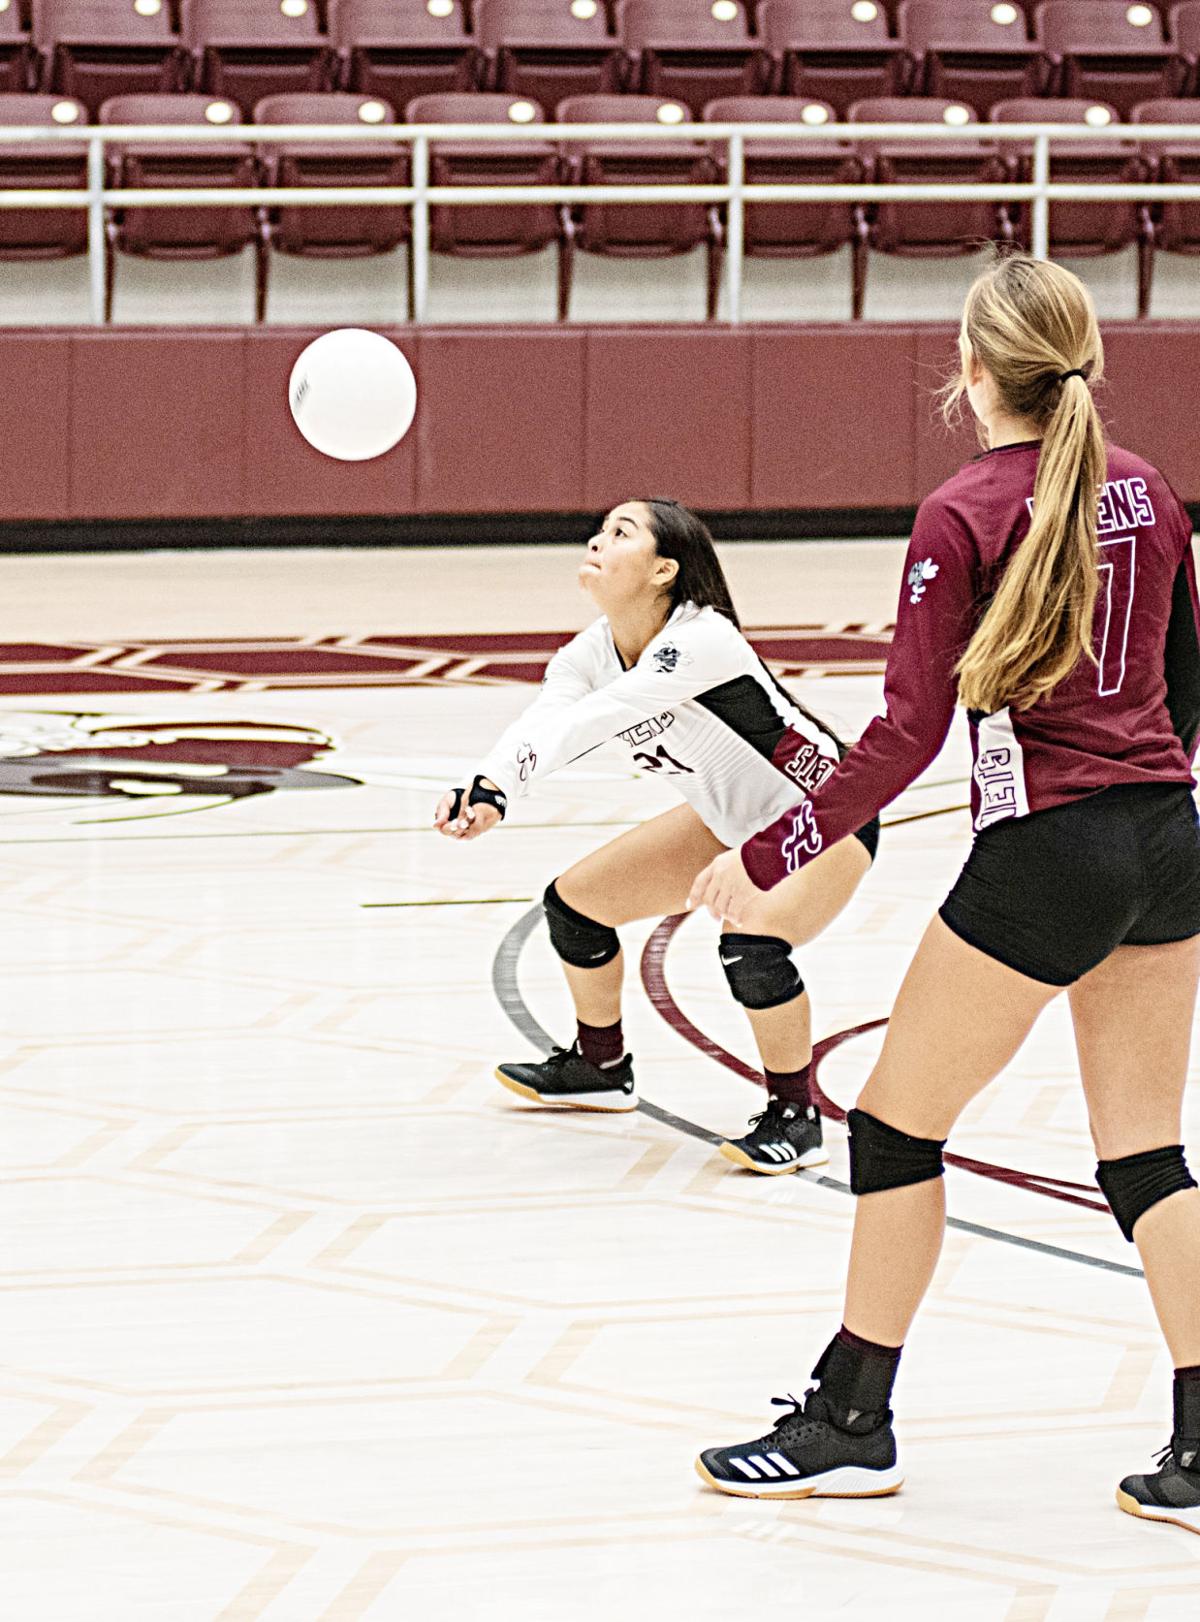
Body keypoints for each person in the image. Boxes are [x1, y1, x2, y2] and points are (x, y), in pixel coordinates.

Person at [690, 253, 1200, 1534]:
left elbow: (905, 733)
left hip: (1050, 855)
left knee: (893, 1126)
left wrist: (771, 851)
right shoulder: (1149, 489)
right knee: (1147, 1155)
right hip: (1168, 838)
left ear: (971, 371)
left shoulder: (963, 511)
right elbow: (1188, 688)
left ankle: (850, 1421)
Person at [434, 498, 880, 1174]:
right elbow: (545, 720)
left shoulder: (702, 640)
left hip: (823, 817)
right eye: (599, 530)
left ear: (664, 569)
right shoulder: (591, 652)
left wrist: (502, 786)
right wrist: (490, 785)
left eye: (621, 533)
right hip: (729, 820)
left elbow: (591, 721)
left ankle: (796, 1115)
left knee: (753, 946)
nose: (597, 540)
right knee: (575, 907)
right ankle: (600, 1068)